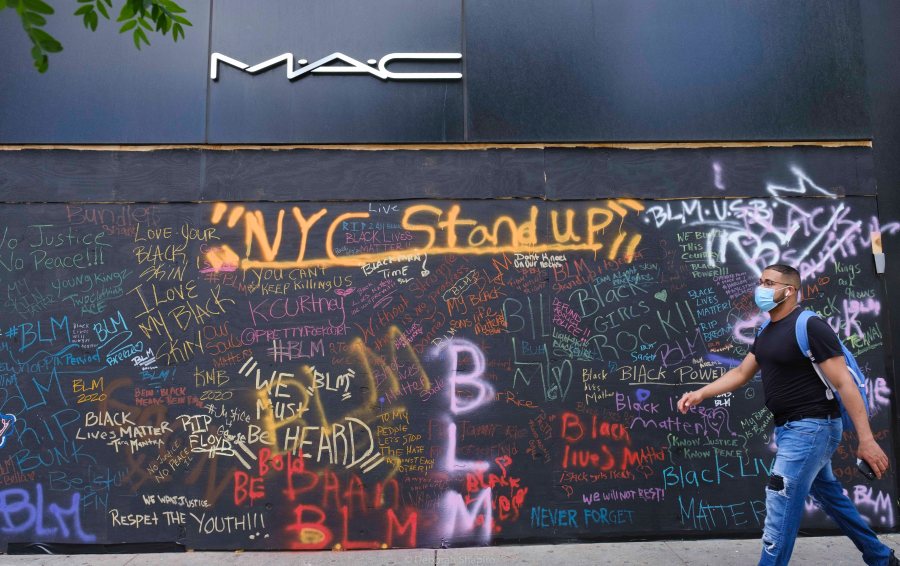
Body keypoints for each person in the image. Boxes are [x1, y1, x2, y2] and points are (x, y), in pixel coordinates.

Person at [677, 264, 896, 566]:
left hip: (812, 428)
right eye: (761, 281)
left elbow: (844, 383)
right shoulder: (766, 330)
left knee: (779, 502)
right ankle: (881, 558)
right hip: (790, 429)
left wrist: (866, 439)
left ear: (789, 290)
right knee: (831, 498)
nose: (761, 288)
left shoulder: (810, 326)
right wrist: (701, 393)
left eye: (769, 283)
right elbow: (741, 373)